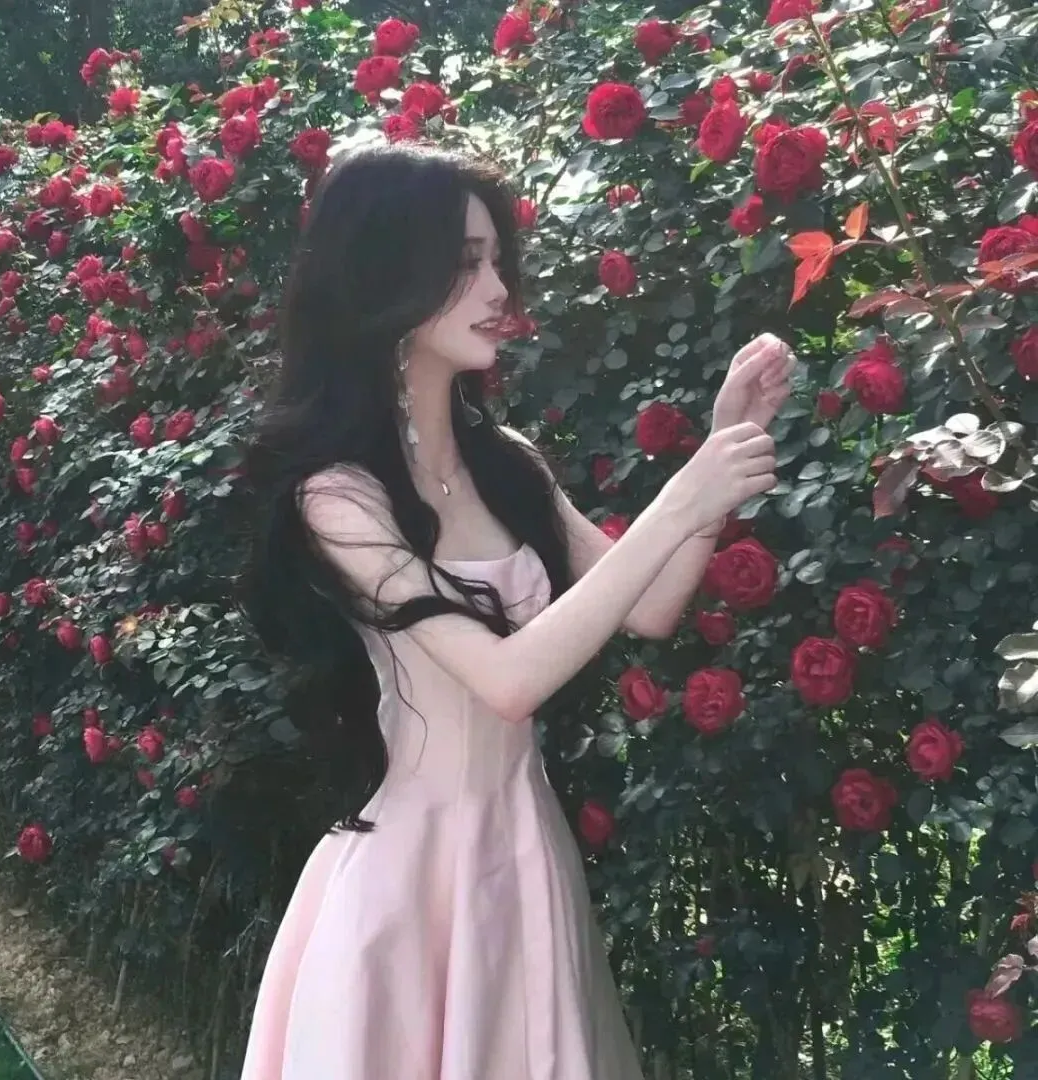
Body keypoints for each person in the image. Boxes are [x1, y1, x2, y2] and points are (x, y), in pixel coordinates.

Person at [236, 142, 794, 1080]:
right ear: (383, 277)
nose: (499, 288)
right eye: (466, 262)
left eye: (497, 259)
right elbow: (507, 680)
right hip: (412, 880)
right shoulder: (338, 496)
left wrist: (725, 444)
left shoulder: (507, 462)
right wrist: (683, 497)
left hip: (523, 848)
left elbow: (651, 605)